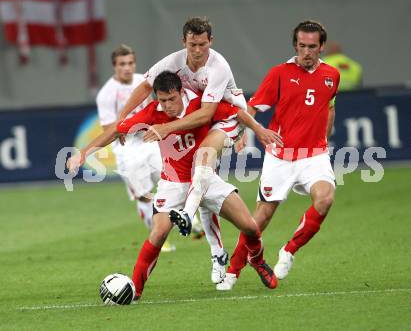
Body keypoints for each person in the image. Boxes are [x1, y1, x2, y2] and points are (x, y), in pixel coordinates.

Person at [67, 71, 277, 298]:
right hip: (172, 184)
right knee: (158, 234)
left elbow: (238, 113)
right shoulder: (152, 113)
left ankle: (258, 261)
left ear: (181, 92)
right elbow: (116, 129)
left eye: (171, 99)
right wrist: (83, 153)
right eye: (162, 100)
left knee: (250, 227)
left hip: (205, 179)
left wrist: (259, 129)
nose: (167, 105)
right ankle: (135, 290)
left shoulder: (200, 103)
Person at [117, 17, 281, 236]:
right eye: (192, 44)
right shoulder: (173, 62)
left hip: (230, 118)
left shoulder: (218, 67)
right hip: (210, 114)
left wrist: (255, 128)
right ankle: (217, 257)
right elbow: (147, 84)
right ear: (183, 41)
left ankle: (187, 213)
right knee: (203, 177)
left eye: (202, 44)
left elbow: (207, 114)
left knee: (203, 157)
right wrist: (122, 116)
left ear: (211, 41)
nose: (196, 50)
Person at [217, 20, 340, 290]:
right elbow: (253, 107)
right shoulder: (280, 74)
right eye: (302, 46)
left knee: (325, 199)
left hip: (314, 156)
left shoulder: (332, 75)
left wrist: (325, 137)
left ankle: (289, 250)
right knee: (259, 219)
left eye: (312, 47)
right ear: (295, 45)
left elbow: (329, 106)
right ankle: (233, 272)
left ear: (321, 47)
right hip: (280, 156)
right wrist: (240, 135)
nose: (306, 52)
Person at [95, 44, 175, 251]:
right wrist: (126, 129)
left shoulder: (144, 82)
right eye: (122, 64)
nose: (127, 68)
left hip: (149, 140)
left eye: (130, 63)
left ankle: (189, 221)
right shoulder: (106, 93)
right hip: (127, 148)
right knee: (143, 194)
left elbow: (156, 106)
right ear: (115, 66)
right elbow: (107, 127)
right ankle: (158, 236)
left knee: (172, 179)